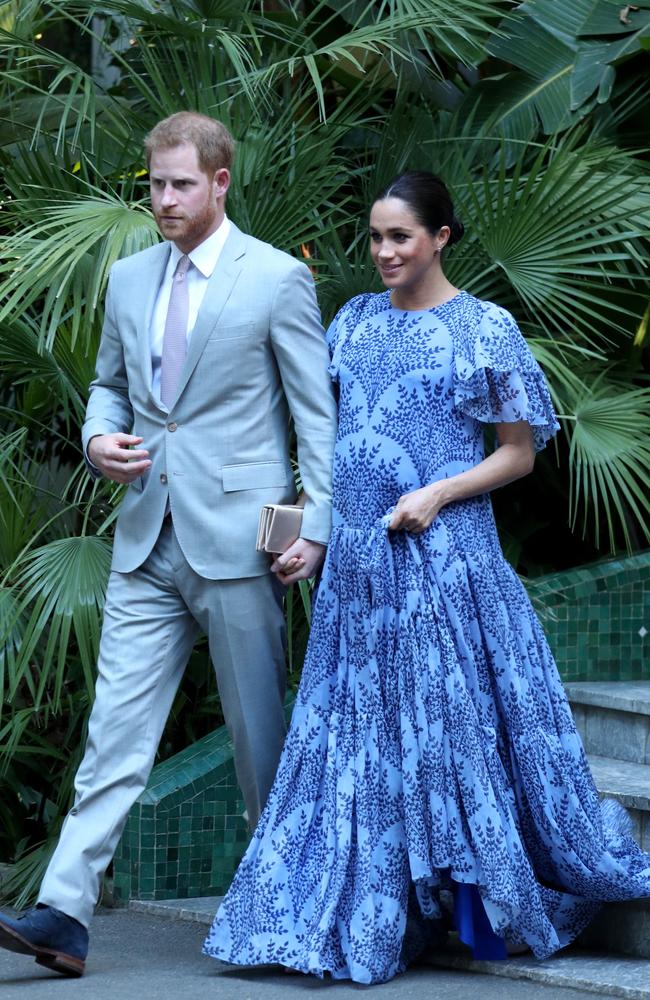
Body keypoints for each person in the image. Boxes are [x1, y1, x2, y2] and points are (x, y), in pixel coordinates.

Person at [203, 171, 650, 984]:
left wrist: (439, 493)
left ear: (440, 237)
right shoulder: (350, 324)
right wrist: (309, 539)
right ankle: (380, 909)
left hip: (447, 566)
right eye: (374, 237)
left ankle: (480, 914)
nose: (382, 253)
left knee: (452, 743)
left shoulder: (484, 328)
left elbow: (519, 451)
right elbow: (331, 454)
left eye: (399, 237)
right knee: (358, 747)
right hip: (360, 580)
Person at [0, 111, 337, 977]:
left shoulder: (274, 279)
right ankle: (66, 914)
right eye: (155, 183)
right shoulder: (127, 279)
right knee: (114, 734)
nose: (165, 199)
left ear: (221, 182)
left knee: (260, 736)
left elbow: (313, 419)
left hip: (241, 542)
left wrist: (316, 528)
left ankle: (283, 904)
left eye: (182, 183)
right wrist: (96, 439)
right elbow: (109, 391)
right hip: (146, 536)